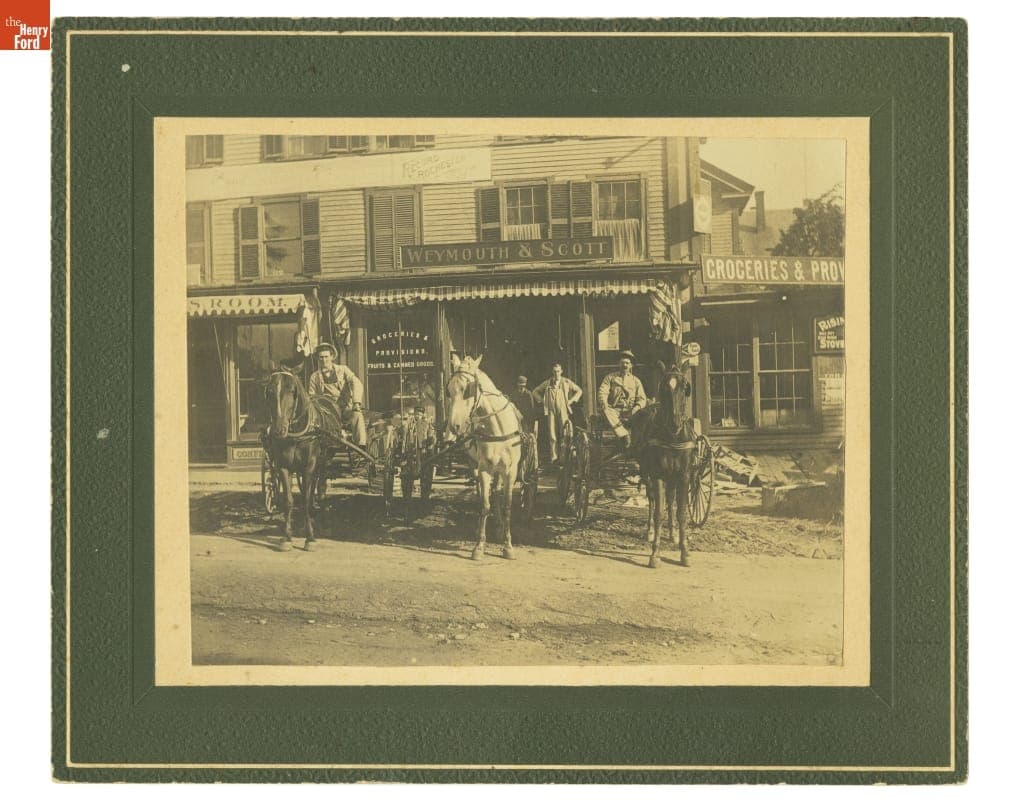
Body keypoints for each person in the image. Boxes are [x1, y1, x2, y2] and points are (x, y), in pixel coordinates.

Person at [308, 342, 367, 446]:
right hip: (327, 413)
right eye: (321, 357)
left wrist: (356, 402)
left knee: (357, 415)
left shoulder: (343, 370)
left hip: (345, 409)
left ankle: (361, 446)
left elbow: (356, 383)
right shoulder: (314, 377)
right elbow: (312, 397)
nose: (324, 360)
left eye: (326, 357)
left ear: (332, 357)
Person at [533, 362, 583, 464]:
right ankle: (554, 457)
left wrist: (571, 401)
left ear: (561, 371)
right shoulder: (547, 383)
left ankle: (564, 457)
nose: (556, 374)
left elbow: (579, 391)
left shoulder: (566, 382)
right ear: (552, 372)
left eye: (558, 371)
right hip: (551, 411)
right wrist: (543, 401)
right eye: (555, 371)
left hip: (563, 410)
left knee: (564, 433)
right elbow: (535, 392)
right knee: (552, 434)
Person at [597, 350, 647, 449]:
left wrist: (635, 408)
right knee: (606, 410)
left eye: (627, 363)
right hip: (614, 411)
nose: (625, 365)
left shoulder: (636, 381)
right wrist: (604, 403)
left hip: (631, 411)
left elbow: (642, 399)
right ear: (618, 364)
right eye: (622, 362)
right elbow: (602, 392)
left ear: (631, 365)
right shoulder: (610, 378)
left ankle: (640, 444)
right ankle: (624, 435)